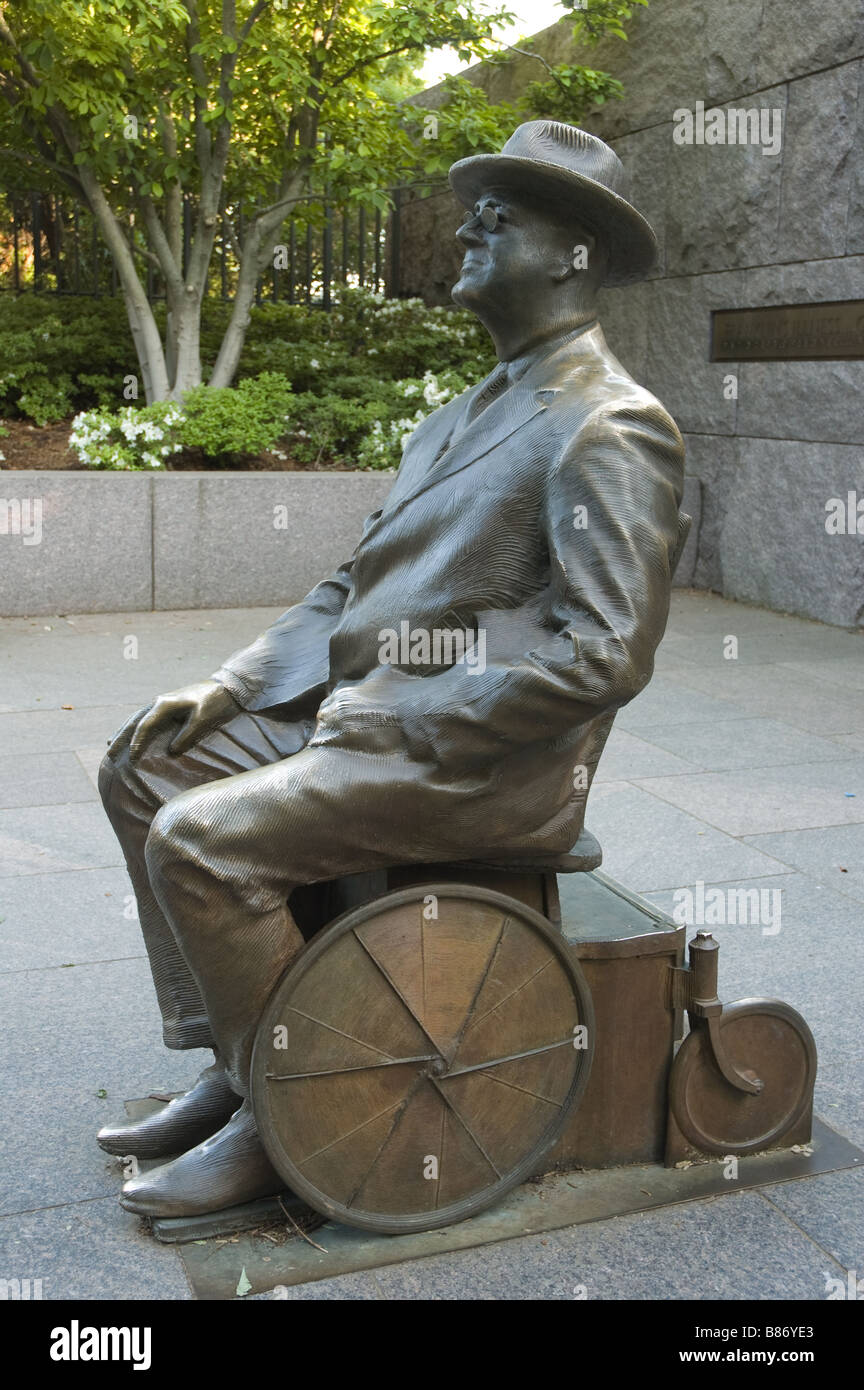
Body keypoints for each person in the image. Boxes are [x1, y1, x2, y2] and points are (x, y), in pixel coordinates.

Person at [97, 121, 686, 1218]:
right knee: (145, 764)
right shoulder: (462, 414)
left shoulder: (611, 426)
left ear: (574, 256)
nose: (466, 226)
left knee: (200, 840)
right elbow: (348, 585)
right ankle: (239, 1067)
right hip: (369, 718)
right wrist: (232, 684)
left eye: (499, 217)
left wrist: (411, 712)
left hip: (476, 760)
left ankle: (290, 1114)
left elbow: (604, 649)